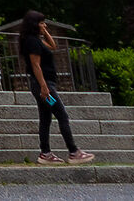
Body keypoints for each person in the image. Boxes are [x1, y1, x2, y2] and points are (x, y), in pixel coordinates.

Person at [20, 11, 95, 164]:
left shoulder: (35, 40)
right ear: (34, 25)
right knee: (62, 115)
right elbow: (35, 65)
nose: (45, 25)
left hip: (44, 86)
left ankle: (45, 154)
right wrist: (44, 87)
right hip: (45, 87)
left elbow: (53, 46)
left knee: (45, 118)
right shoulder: (32, 42)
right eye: (42, 23)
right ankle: (74, 152)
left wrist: (44, 30)